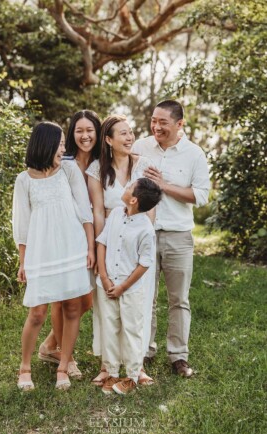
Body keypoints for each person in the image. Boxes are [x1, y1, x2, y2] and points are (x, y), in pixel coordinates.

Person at [13, 121, 94, 390]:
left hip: (72, 247)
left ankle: (63, 367)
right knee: (37, 311)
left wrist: (90, 248)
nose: (63, 149)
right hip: (41, 251)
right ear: (45, 144)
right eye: (59, 144)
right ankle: (25, 369)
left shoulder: (69, 170)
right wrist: (23, 262)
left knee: (72, 307)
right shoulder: (24, 180)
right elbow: (22, 226)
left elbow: (84, 211)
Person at [132, 99, 210, 377]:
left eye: (163, 122)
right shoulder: (139, 147)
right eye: (154, 120)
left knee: (179, 299)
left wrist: (164, 185)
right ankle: (143, 351)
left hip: (178, 236)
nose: (156, 126)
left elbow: (200, 196)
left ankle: (178, 356)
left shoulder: (194, 154)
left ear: (180, 124)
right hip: (143, 234)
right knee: (144, 297)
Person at [86, 114, 156, 386]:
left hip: (137, 243)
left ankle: (135, 367)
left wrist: (140, 241)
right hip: (109, 240)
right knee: (108, 309)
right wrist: (99, 250)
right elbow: (98, 212)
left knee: (136, 309)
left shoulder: (145, 165)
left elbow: (150, 206)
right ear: (108, 140)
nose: (129, 138)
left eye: (131, 133)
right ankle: (108, 365)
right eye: (123, 133)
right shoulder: (97, 170)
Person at [38, 111, 101, 379]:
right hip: (64, 237)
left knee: (86, 300)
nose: (85, 136)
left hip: (94, 233)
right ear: (71, 133)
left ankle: (51, 344)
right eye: (79, 131)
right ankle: (66, 354)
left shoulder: (103, 163)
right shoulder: (61, 162)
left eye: (90, 130)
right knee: (63, 299)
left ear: (98, 133)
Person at [97, 178, 162, 395]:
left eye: (128, 187)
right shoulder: (115, 213)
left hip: (130, 289)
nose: (124, 188)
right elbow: (102, 242)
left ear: (133, 200)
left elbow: (145, 263)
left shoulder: (146, 229)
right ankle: (112, 371)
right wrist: (104, 277)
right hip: (107, 284)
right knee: (110, 327)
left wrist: (123, 286)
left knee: (132, 329)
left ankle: (132, 376)